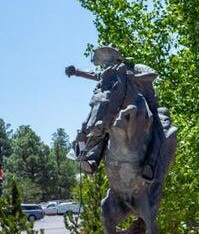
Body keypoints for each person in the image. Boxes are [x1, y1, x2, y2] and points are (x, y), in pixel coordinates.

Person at [66, 46, 166, 180]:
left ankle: (151, 163)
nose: (106, 66)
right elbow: (94, 74)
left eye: (108, 62)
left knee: (160, 128)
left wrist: (136, 77)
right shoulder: (109, 75)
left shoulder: (133, 68)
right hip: (119, 109)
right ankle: (91, 159)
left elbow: (153, 74)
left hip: (145, 104)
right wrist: (77, 71)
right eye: (104, 63)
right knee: (104, 126)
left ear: (117, 59)